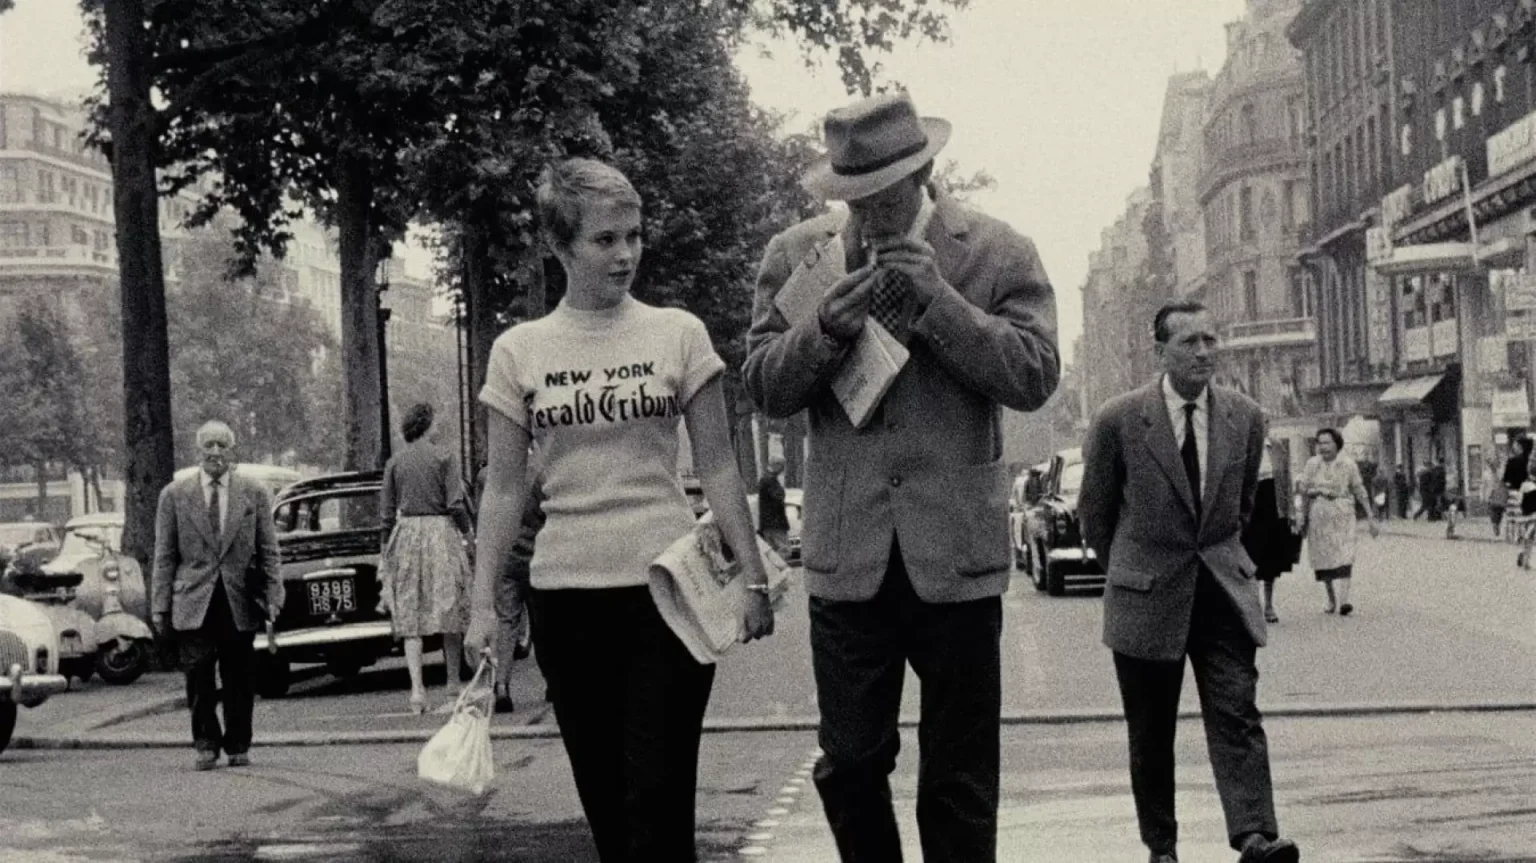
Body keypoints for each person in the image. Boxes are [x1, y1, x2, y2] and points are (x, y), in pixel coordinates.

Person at [743, 91, 1060, 862]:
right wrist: (824, 329)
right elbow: (763, 385)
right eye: (853, 198)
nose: (869, 215)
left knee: (959, 777)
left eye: (883, 197)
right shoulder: (799, 255)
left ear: (923, 174)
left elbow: (1034, 374)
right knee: (850, 761)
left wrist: (938, 303)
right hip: (847, 554)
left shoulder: (997, 251)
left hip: (958, 551)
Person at [464, 157, 773, 862]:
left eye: (633, 235)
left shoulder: (679, 334)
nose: (626, 254)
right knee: (608, 808)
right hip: (565, 603)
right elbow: (504, 488)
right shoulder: (518, 351)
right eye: (604, 240)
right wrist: (483, 606)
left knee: (658, 801)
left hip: (668, 598)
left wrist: (753, 578)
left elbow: (719, 464)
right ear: (559, 246)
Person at [1079, 301, 1299, 863]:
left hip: (1222, 593)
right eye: (1189, 343)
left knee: (1237, 713)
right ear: (1161, 353)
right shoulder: (1119, 419)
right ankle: (1162, 847)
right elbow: (1096, 513)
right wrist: (1130, 571)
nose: (1203, 352)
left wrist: (1222, 558)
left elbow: (1243, 506)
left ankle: (1255, 836)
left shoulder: (1246, 417)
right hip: (1146, 596)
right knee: (1151, 731)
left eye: (1210, 340)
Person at [150, 420, 283, 771]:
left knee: (240, 676)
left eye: (222, 445)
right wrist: (160, 606)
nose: (215, 452)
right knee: (198, 676)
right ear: (198, 450)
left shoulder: (253, 493)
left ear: (232, 450)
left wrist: (274, 593)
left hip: (238, 599)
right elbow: (164, 555)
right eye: (208, 445)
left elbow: (269, 549)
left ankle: (238, 744)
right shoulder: (174, 495)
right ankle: (206, 743)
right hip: (193, 599)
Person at [378, 402, 473, 715]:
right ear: (426, 425)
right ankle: (453, 686)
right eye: (435, 422)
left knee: (411, 616)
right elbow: (456, 503)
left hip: (406, 536)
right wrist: (468, 535)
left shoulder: (395, 462)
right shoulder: (445, 456)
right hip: (440, 534)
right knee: (449, 611)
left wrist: (384, 552)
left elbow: (386, 514)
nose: (438, 427)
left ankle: (417, 691)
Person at [1299, 427, 1379, 616]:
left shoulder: (1348, 464)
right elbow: (1303, 490)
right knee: (1324, 557)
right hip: (1319, 515)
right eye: (1320, 443)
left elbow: (1359, 489)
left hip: (1343, 512)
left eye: (1327, 443)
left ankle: (1344, 600)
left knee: (1345, 553)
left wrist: (1370, 516)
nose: (1323, 447)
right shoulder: (1312, 464)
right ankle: (1331, 598)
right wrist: (1303, 514)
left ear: (1337, 444)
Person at [1242, 438, 1301, 624]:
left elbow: (1286, 479)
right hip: (1250, 507)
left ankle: (1269, 605)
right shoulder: (1242, 441)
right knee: (1249, 557)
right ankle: (1252, 606)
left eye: (1266, 423)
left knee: (1271, 557)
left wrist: (1291, 510)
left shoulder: (1276, 446)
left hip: (1273, 504)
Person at [756, 455, 791, 558]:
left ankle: (773, 567)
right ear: (776, 465)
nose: (783, 469)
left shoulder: (765, 479)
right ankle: (778, 567)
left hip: (767, 524)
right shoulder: (770, 481)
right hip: (775, 524)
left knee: (772, 553)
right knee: (785, 550)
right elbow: (778, 498)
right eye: (782, 466)